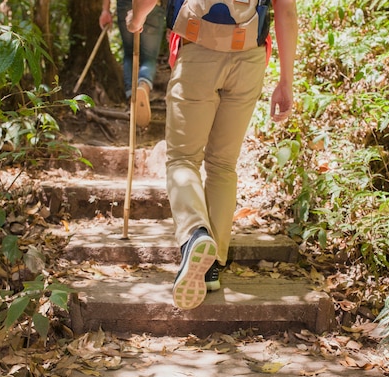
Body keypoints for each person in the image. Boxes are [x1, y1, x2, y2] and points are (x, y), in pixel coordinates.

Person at [127, 0, 297, 310]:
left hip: (198, 52)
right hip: (249, 56)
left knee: (182, 158)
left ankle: (195, 234)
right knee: (222, 164)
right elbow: (286, 10)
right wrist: (286, 81)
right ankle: (211, 267)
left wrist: (137, 18)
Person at [99, 0, 166, 127]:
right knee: (149, 58)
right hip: (153, 6)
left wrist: (105, 10)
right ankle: (143, 87)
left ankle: (132, 99)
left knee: (129, 54)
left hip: (125, 4)